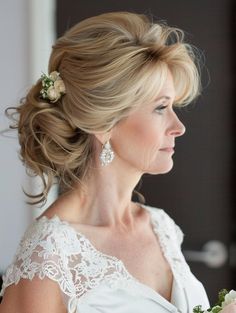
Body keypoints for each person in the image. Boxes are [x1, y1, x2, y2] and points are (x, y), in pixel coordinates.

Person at [0, 11, 225, 313]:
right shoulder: (49, 258)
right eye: (161, 108)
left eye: (173, 106)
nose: (178, 126)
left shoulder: (161, 227)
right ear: (104, 124)